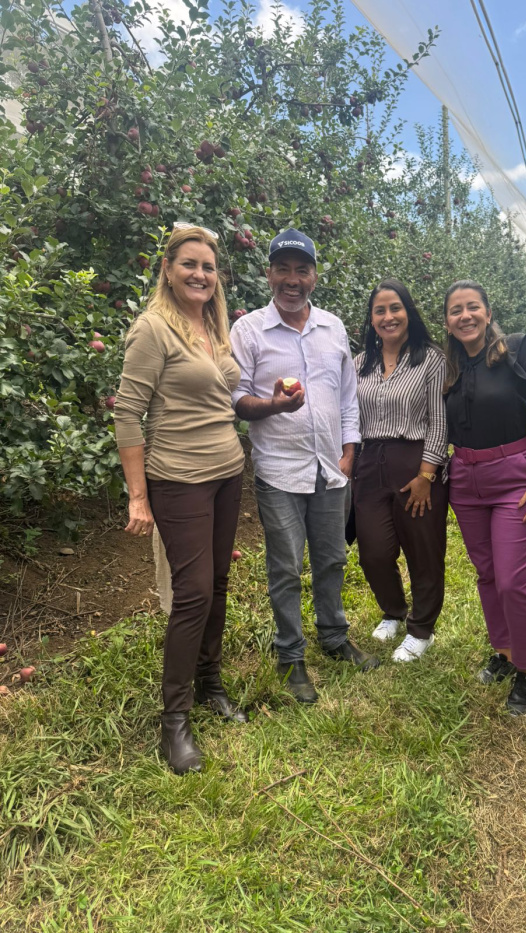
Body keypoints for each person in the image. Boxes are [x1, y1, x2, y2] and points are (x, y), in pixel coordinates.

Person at [114, 223, 248, 775]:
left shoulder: (213, 327)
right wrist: (138, 497)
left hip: (227, 472)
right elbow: (128, 412)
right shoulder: (153, 329)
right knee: (192, 593)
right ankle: (175, 721)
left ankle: (211, 682)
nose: (200, 274)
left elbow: (228, 398)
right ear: (167, 269)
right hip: (179, 478)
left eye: (208, 267)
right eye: (189, 264)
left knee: (216, 582)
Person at [229, 228, 379, 704]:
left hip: (332, 469)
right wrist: (273, 406)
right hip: (279, 471)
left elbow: (347, 397)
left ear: (314, 275)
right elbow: (237, 400)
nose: (292, 280)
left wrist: (350, 451)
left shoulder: (333, 328)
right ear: (268, 273)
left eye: (302, 270)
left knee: (333, 559)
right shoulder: (248, 330)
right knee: (286, 568)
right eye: (283, 269)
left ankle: (334, 638)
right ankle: (291, 655)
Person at [443, 279, 526, 716]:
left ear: (488, 312)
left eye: (473, 307)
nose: (465, 316)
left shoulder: (516, 351)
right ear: (447, 322)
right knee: (488, 574)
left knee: (514, 581)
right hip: (466, 480)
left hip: (515, 476)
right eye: (456, 310)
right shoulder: (449, 370)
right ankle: (504, 650)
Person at [353, 279, 448, 661]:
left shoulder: (430, 359)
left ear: (408, 313)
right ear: (372, 319)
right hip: (370, 462)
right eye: (380, 310)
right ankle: (394, 610)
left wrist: (427, 475)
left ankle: (422, 628)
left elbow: (440, 422)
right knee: (373, 551)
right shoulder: (360, 363)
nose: (388, 316)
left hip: (415, 462)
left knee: (423, 550)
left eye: (395, 308)